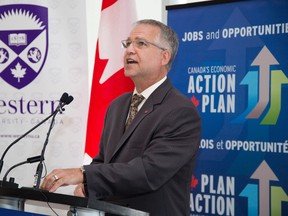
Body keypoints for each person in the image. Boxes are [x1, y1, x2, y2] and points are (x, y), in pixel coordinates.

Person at [41, 19, 202, 216]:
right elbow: (104, 161)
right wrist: (88, 186)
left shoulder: (180, 111)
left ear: (164, 56)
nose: (129, 50)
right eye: (127, 43)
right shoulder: (117, 106)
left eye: (141, 43)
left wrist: (84, 175)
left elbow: (148, 172)